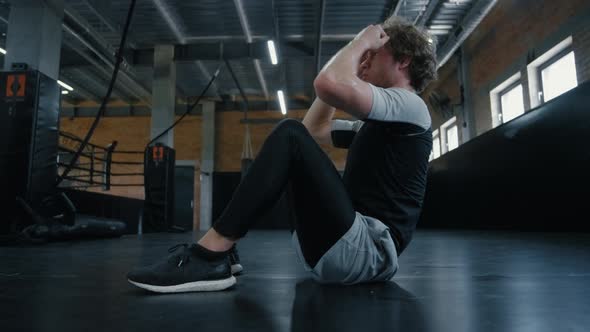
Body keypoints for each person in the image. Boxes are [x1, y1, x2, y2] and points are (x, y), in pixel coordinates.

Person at [127, 16, 437, 293]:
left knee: (289, 134)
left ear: (404, 60)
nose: (365, 61)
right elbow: (314, 129)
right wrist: (355, 63)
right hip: (344, 246)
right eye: (364, 57)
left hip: (366, 253)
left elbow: (326, 86)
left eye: (373, 56)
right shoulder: (373, 127)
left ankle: (210, 256)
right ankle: (222, 252)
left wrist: (359, 43)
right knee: (293, 136)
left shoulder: (411, 106)